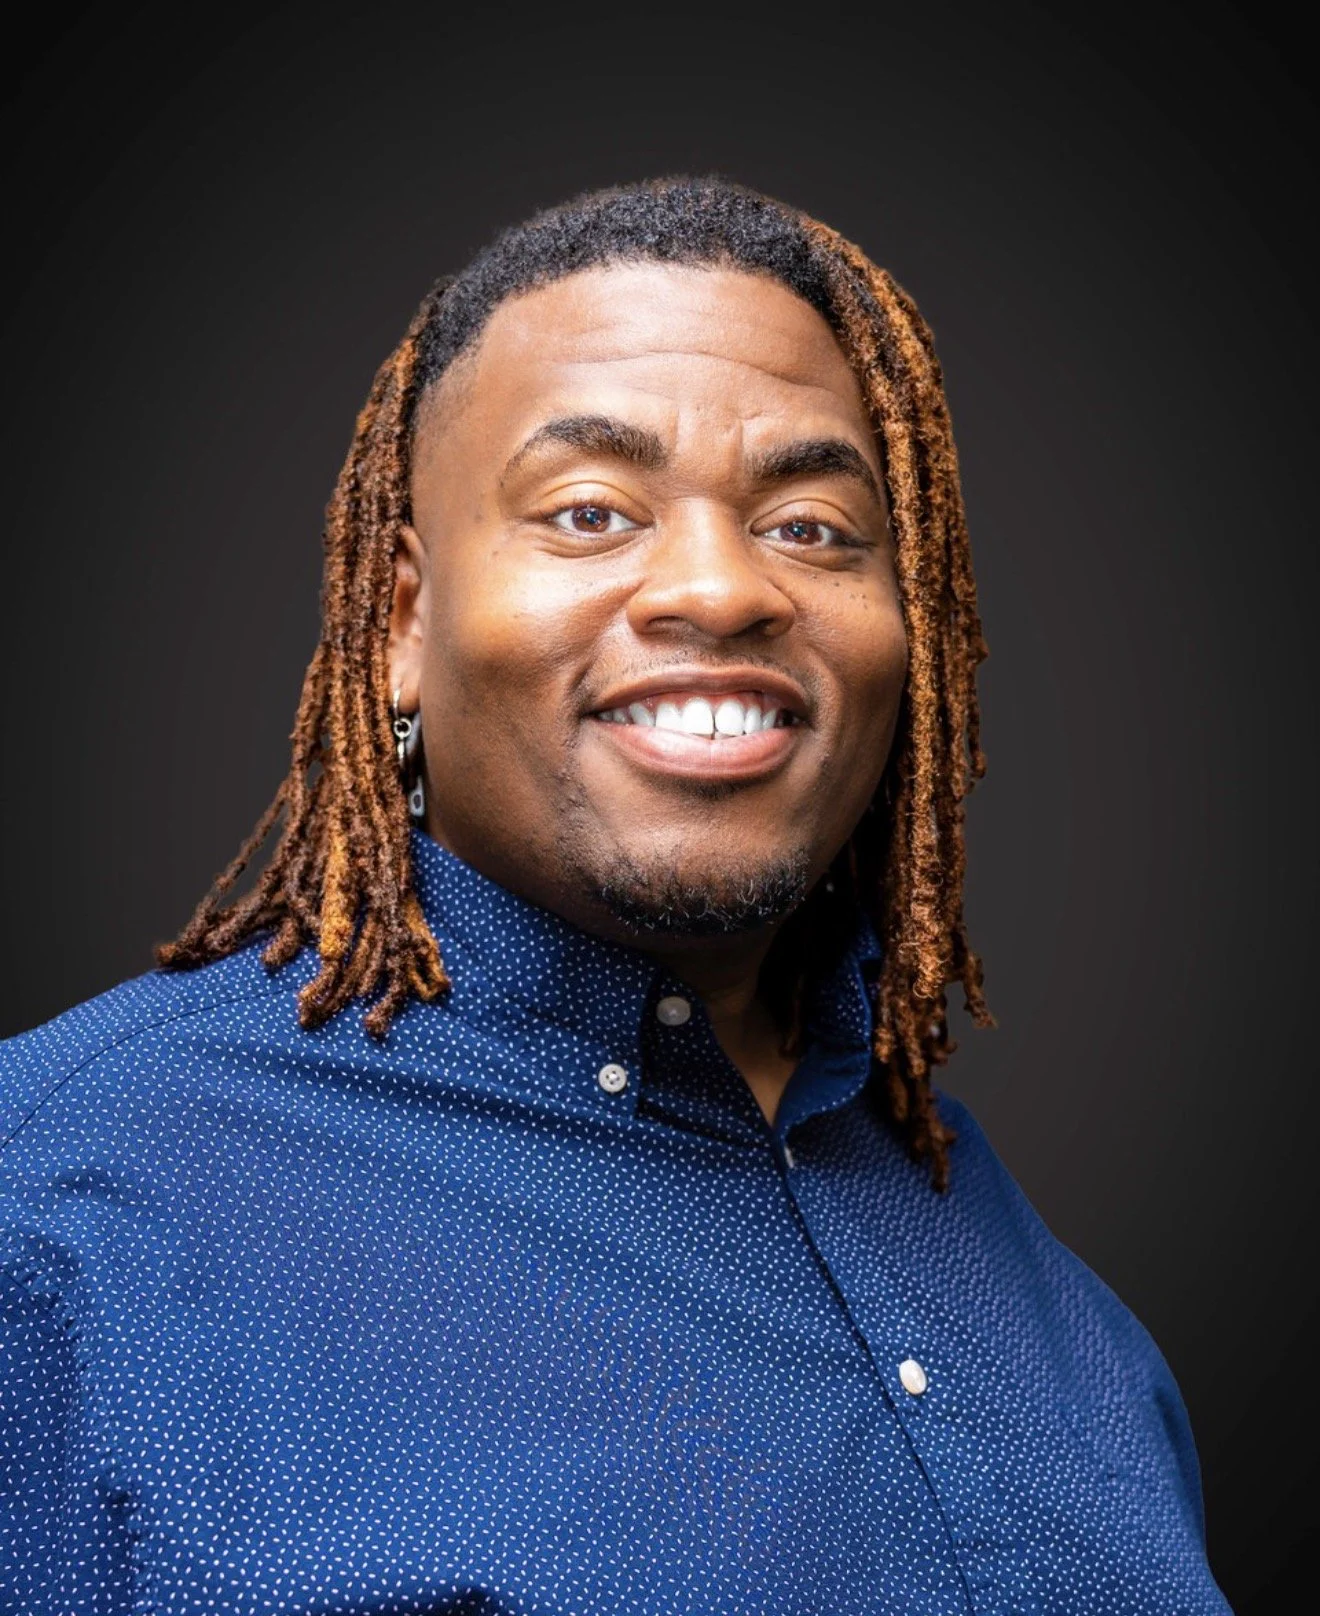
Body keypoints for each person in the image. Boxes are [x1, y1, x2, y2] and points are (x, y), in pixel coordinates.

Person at [0, 178, 1229, 1614]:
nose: (719, 587)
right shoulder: (58, 1208)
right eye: (590, 512)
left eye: (816, 527)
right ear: (401, 622)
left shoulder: (1054, 1316)